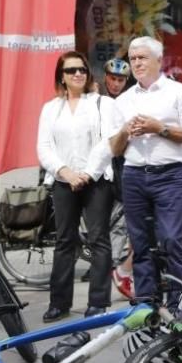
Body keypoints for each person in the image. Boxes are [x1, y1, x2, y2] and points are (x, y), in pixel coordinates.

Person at [109, 36, 182, 314]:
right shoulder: (123, 100)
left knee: (172, 240)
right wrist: (126, 130)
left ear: (159, 61)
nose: (136, 63)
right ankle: (146, 304)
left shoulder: (179, 92)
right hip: (134, 174)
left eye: (142, 57)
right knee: (140, 242)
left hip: (169, 174)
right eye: (133, 58)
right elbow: (114, 147)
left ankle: (175, 304)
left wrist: (158, 127)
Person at [36, 51, 116, 321]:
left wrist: (88, 174)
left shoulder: (102, 104)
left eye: (82, 69)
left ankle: (98, 302)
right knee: (64, 241)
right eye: (71, 71)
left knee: (98, 239)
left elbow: (108, 142)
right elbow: (44, 147)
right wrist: (66, 172)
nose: (78, 74)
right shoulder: (51, 108)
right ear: (62, 76)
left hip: (96, 181)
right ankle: (59, 303)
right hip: (63, 181)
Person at [102, 58, 135, 299]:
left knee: (120, 216)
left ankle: (110, 263)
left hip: (121, 163)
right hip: (100, 162)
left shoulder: (128, 102)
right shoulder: (98, 100)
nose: (116, 83)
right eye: (112, 78)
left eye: (120, 79)